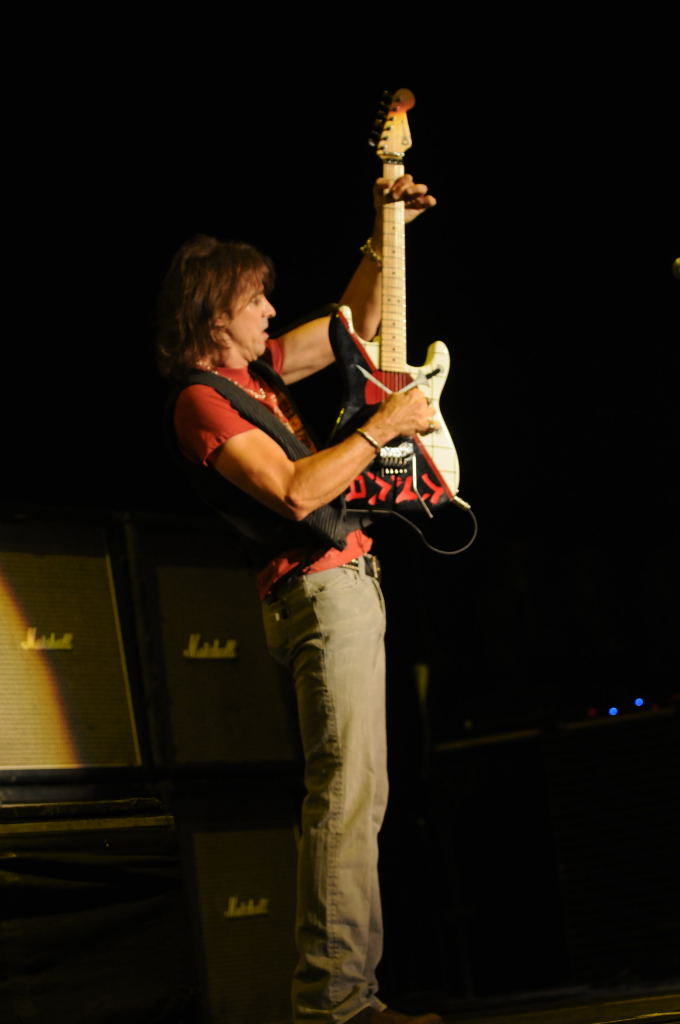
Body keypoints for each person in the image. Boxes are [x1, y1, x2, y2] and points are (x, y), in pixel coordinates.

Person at [157, 175, 443, 1024]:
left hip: (346, 586)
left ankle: (353, 995)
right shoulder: (201, 400)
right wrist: (379, 431)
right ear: (216, 314)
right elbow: (293, 492)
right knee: (344, 800)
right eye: (256, 300)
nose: (271, 311)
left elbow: (355, 323)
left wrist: (386, 232)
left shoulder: (259, 373)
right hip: (315, 589)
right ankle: (333, 1005)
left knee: (360, 799)